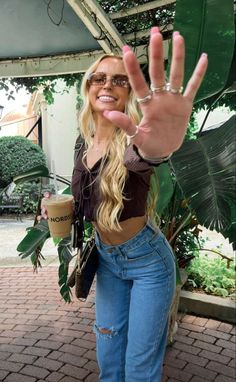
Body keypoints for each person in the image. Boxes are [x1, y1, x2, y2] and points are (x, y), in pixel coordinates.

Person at [44, 27, 208, 382]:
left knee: (138, 369)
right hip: (106, 261)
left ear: (129, 93)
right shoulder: (81, 142)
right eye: (99, 78)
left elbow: (147, 156)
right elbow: (88, 195)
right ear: (88, 88)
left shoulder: (135, 142)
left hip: (147, 262)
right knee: (109, 361)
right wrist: (62, 208)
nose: (107, 85)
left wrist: (160, 146)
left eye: (119, 81)